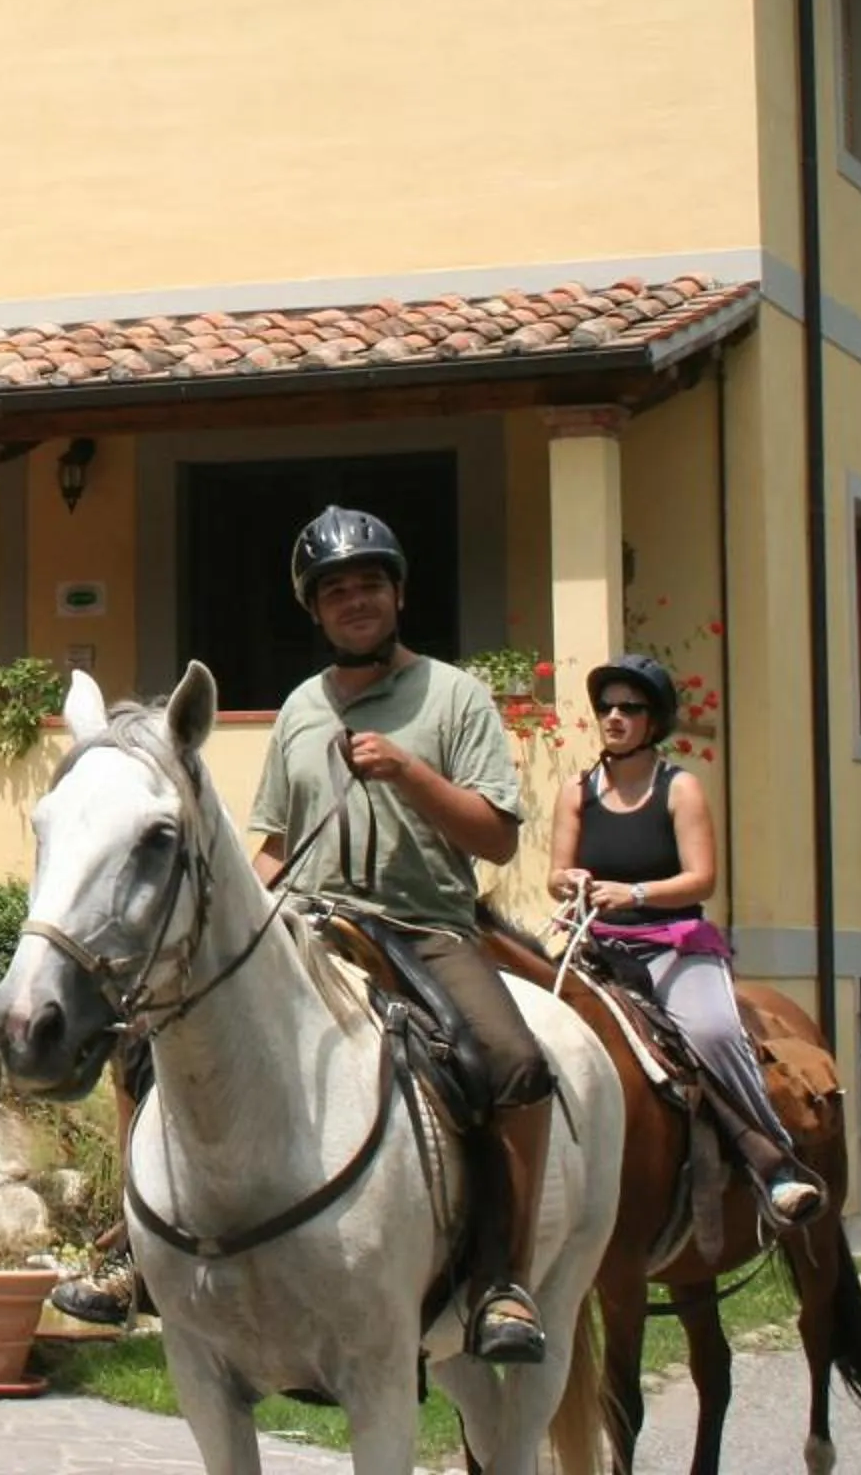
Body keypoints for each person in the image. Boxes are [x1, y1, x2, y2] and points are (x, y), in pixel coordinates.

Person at [249, 506, 557, 1364]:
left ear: (399, 595)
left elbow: (495, 838)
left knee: (515, 1064)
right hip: (313, 925)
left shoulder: (455, 696)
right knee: (165, 1034)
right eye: (336, 590)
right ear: (315, 608)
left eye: (370, 585)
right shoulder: (300, 708)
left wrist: (409, 771)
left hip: (425, 929)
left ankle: (504, 1281)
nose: (355, 601)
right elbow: (275, 846)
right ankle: (139, 1255)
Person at [548, 655, 823, 1225]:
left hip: (673, 945)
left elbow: (701, 879)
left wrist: (636, 894)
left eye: (630, 708)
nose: (614, 717)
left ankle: (773, 1162)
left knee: (716, 1031)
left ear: (655, 720)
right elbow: (555, 875)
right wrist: (568, 881)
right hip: (596, 946)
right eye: (606, 707)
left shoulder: (681, 789)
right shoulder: (576, 792)